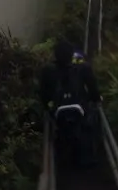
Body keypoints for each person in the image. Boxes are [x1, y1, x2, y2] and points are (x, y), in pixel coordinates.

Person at [39, 39, 102, 168]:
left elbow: (43, 93)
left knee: (58, 130)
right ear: (71, 54)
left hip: (58, 111)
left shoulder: (48, 70)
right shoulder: (83, 68)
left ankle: (60, 159)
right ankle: (91, 156)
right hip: (80, 109)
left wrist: (47, 107)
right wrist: (95, 99)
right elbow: (93, 88)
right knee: (91, 121)